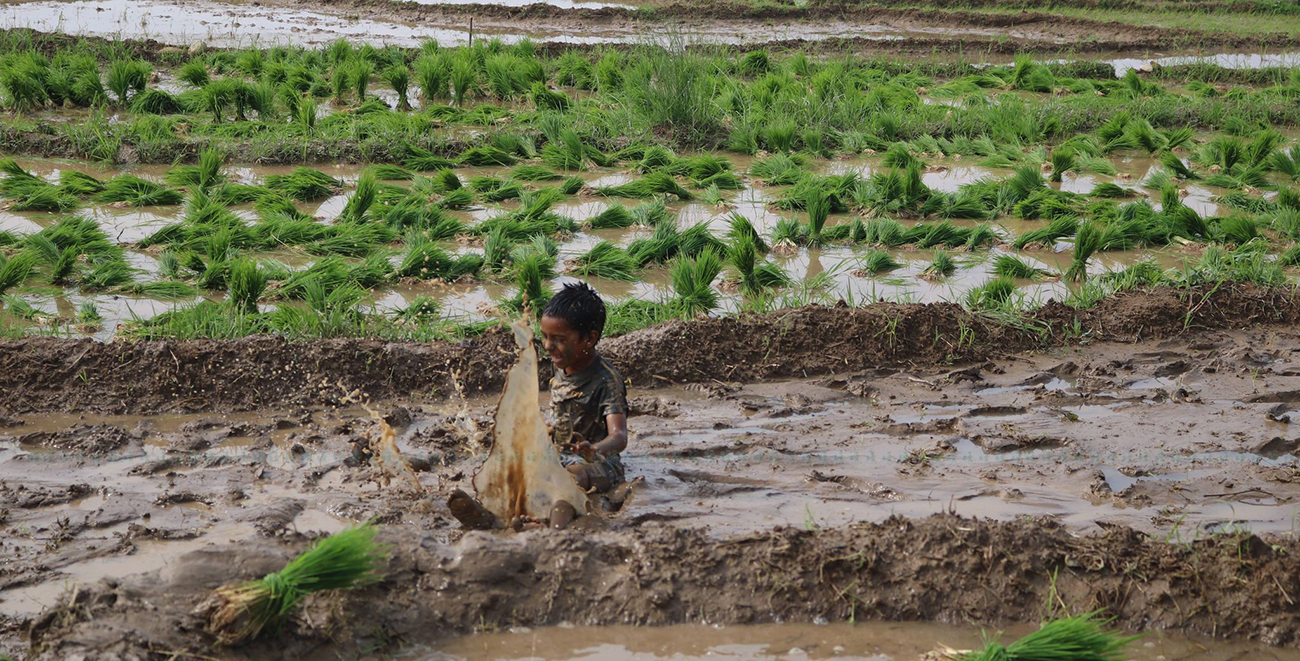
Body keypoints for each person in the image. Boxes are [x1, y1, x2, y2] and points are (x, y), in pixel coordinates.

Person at [448, 282, 628, 530]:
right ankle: (491, 516)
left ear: (589, 338)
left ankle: (551, 527)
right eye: (544, 336)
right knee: (513, 467)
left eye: (559, 339)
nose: (547, 345)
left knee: (568, 481)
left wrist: (595, 449)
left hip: (596, 463)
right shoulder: (564, 361)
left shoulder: (606, 381)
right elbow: (562, 414)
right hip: (558, 454)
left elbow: (619, 436)